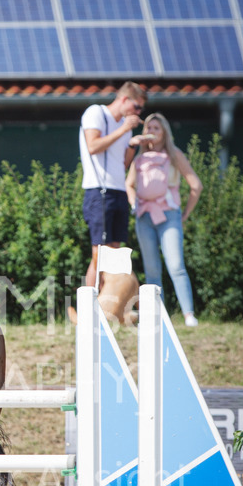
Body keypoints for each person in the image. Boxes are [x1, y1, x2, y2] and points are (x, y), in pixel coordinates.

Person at [126, 113, 203, 327]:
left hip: (169, 215)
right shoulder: (139, 159)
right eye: (148, 127)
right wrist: (134, 204)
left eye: (156, 128)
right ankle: (156, 316)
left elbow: (195, 185)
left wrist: (184, 213)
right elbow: (128, 184)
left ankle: (189, 314)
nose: (151, 130)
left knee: (176, 265)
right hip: (144, 216)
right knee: (151, 269)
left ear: (164, 133)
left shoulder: (174, 155)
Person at [79, 81, 149, 290]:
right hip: (98, 190)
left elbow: (123, 164)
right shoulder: (96, 113)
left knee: (115, 252)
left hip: (118, 191)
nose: (137, 112)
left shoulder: (124, 128)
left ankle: (110, 304)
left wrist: (132, 145)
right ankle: (89, 310)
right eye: (136, 107)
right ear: (124, 99)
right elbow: (93, 146)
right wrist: (124, 130)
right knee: (99, 253)